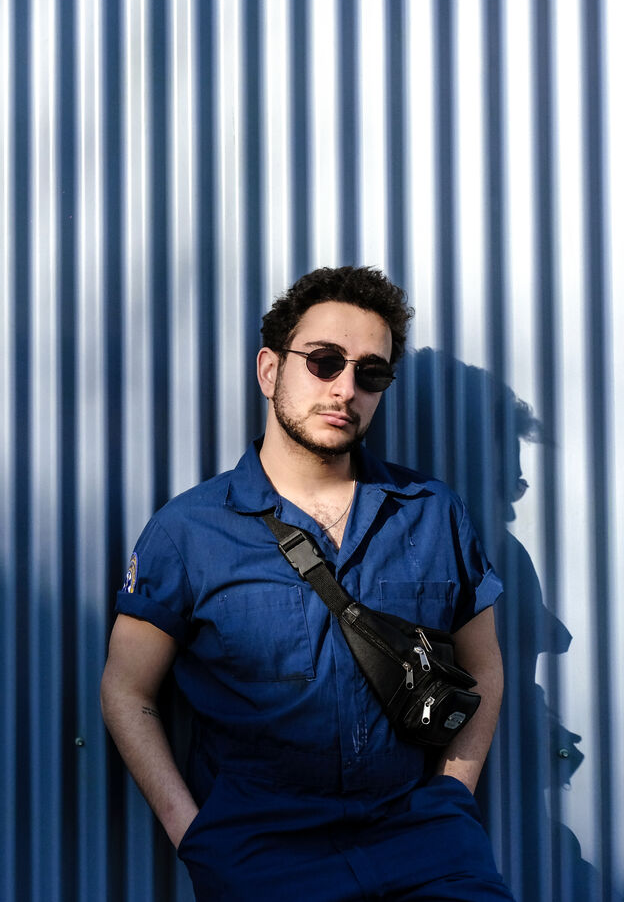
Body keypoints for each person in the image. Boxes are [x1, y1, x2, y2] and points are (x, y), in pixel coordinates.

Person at [100, 266, 514, 901]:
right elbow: (127, 689)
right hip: (263, 857)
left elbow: (483, 666)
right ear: (270, 370)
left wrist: (452, 797)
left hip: (427, 848)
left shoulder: (434, 513)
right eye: (324, 362)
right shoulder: (188, 531)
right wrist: (198, 838)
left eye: (371, 373)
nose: (346, 389)